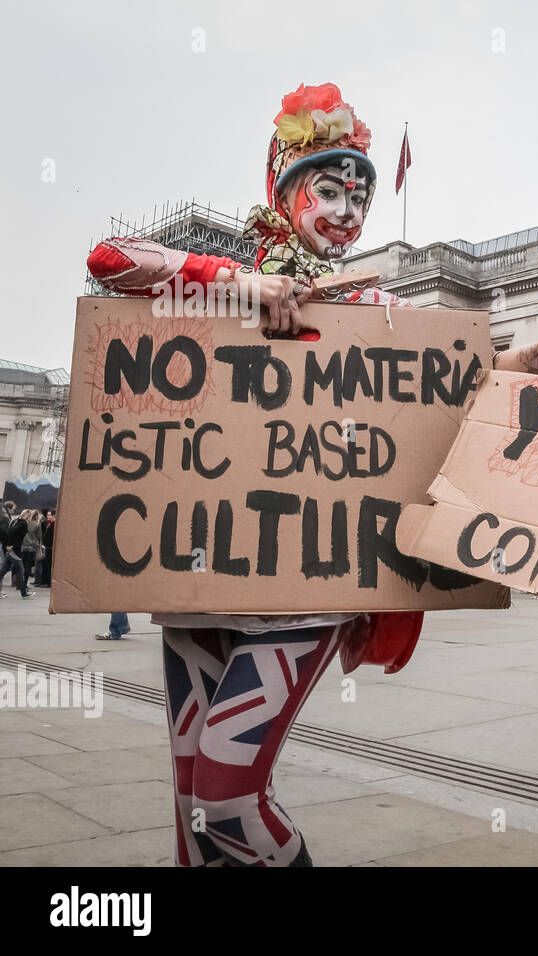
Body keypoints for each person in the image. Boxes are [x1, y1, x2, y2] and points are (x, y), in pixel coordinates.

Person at [86, 82, 424, 867]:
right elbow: (109, 261)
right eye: (330, 189)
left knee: (229, 797)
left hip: (304, 586)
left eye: (359, 196)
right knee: (188, 802)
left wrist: (537, 358)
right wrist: (248, 287)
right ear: (283, 190)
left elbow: (459, 377)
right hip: (200, 577)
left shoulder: (375, 305)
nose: (347, 210)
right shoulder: (215, 290)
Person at [0, 503, 32, 599]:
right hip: (15, 552)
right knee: (20, 571)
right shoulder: (23, 523)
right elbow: (13, 533)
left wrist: (7, 545)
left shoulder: (16, 521)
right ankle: (24, 593)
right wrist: (11, 546)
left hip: (10, 551)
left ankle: (24, 592)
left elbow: (9, 532)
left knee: (3, 571)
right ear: (28, 516)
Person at [19, 509, 42, 592]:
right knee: (28, 567)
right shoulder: (36, 524)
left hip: (21, 546)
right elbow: (39, 536)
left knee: (21, 566)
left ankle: (19, 584)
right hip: (31, 547)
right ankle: (24, 585)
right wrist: (37, 544)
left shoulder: (20, 522)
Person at [37, 509, 54, 587]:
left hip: (50, 547)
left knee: (48, 565)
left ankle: (48, 582)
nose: (47, 517)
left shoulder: (53, 524)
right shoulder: (48, 523)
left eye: (49, 515)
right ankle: (45, 581)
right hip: (47, 547)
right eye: (47, 515)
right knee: (46, 564)